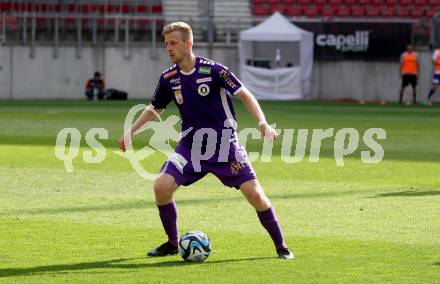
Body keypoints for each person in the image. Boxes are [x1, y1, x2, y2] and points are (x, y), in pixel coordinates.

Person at [117, 22, 294, 259]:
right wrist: (131, 131)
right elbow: (155, 108)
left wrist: (262, 123)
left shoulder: (214, 71)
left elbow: (244, 94)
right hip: (190, 148)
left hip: (225, 147)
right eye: (166, 44)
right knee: (161, 187)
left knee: (255, 195)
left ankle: (281, 246)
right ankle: (172, 242)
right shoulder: (169, 78)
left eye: (173, 43)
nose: (168, 49)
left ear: (188, 43)